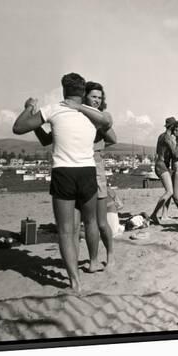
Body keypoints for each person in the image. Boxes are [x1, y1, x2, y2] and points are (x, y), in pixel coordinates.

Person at [12, 72, 111, 293]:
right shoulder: (93, 113)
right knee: (91, 222)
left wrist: (29, 107)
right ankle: (94, 262)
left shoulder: (54, 108)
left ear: (63, 90)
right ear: (83, 92)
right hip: (87, 172)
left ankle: (75, 281)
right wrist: (82, 108)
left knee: (66, 231)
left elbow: (18, 127)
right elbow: (108, 122)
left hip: (64, 172)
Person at [32, 81, 117, 270]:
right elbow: (47, 139)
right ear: (84, 95)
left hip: (94, 169)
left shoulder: (96, 117)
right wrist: (35, 123)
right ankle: (79, 261)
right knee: (77, 225)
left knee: (101, 222)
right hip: (75, 170)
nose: (97, 101)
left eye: (99, 98)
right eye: (93, 97)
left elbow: (113, 138)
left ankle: (109, 255)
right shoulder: (67, 116)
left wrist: (97, 148)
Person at [149, 117, 178, 225]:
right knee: (170, 191)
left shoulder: (161, 136)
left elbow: (158, 151)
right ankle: (154, 214)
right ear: (172, 126)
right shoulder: (168, 138)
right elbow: (175, 153)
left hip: (160, 164)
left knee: (169, 191)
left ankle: (165, 215)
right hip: (162, 165)